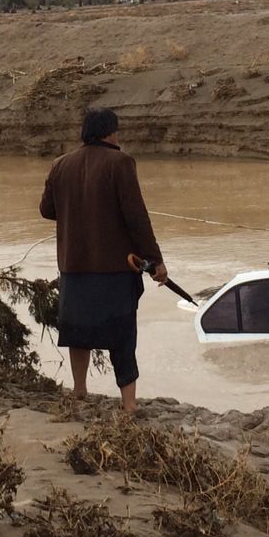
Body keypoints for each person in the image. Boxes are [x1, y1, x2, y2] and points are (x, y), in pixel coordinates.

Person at [39, 107, 167, 414]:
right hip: (115, 269)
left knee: (76, 331)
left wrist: (75, 208)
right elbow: (136, 217)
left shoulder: (60, 165)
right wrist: (155, 261)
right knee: (122, 336)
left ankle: (79, 390)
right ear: (111, 132)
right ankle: (129, 405)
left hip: (73, 266)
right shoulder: (121, 163)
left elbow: (46, 210)